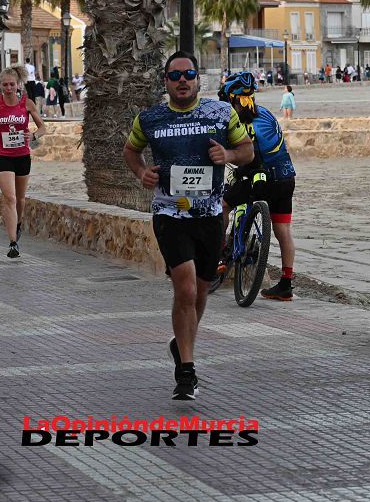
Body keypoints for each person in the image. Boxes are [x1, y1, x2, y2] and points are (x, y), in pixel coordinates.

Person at [122, 51, 253, 400]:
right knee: (185, 286)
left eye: (189, 74)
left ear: (198, 80)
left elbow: (247, 150)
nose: (182, 80)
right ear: (165, 81)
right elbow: (130, 152)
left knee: (201, 289)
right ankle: (186, 373)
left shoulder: (220, 113)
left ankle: (182, 345)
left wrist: (228, 156)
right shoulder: (150, 119)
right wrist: (141, 173)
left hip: (210, 215)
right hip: (170, 214)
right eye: (175, 75)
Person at [217, 71, 298, 301]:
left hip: (261, 178)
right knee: (283, 230)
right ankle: (285, 284)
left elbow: (245, 155)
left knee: (223, 205)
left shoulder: (235, 119)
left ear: (232, 98)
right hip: (286, 177)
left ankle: (221, 254)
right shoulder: (266, 114)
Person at [0, 68, 46, 258]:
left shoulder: (27, 104)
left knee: (20, 199)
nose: (9, 88)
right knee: (9, 198)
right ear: (0, 85)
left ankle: (18, 223)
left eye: (12, 84)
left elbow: (43, 127)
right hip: (2, 154)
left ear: (18, 84)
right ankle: (12, 243)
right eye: (5, 85)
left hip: (22, 155)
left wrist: (33, 134)